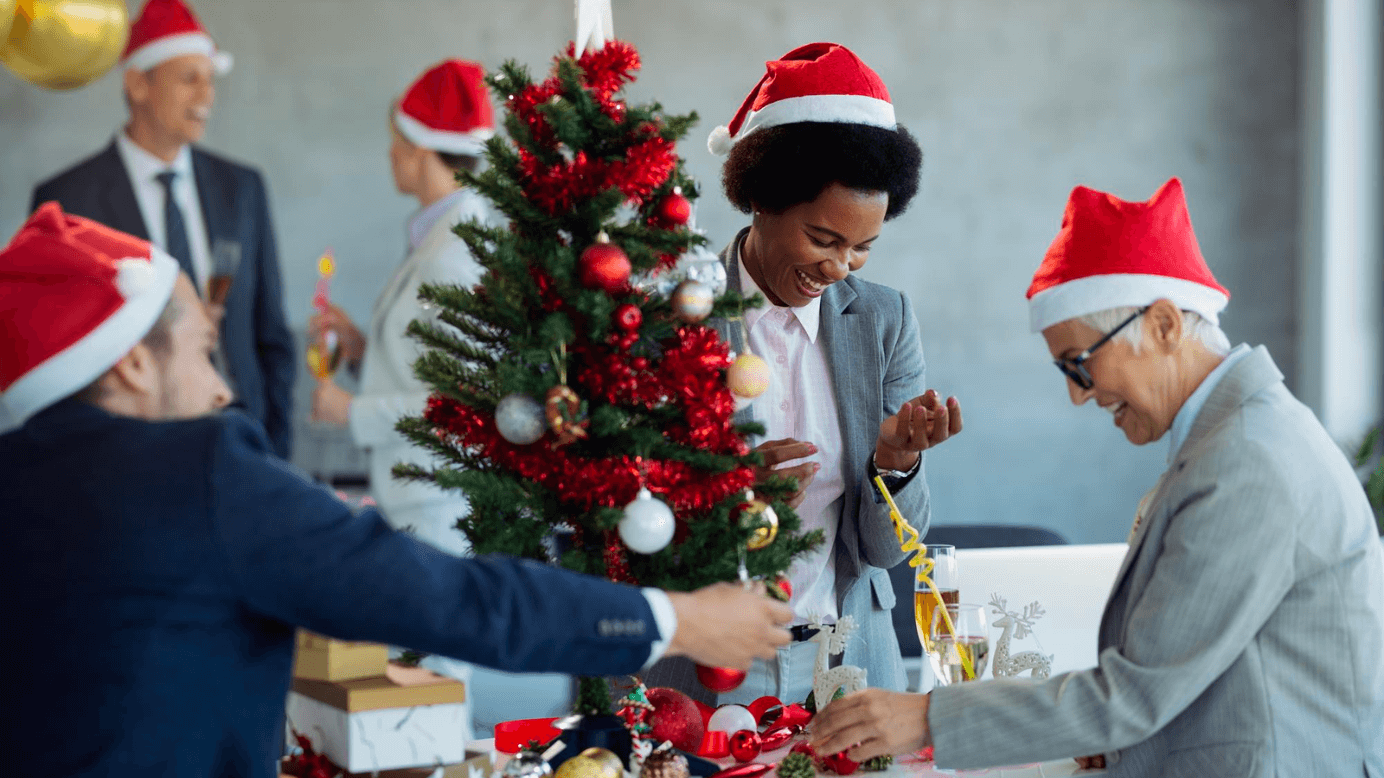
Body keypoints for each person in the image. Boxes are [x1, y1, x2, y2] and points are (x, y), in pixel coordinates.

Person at [0, 203, 795, 778]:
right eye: (204, 351)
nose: (220, 389)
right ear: (132, 362)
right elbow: (455, 600)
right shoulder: (199, 467)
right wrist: (676, 618)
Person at [809, 179, 1384, 776]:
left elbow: (1134, 694)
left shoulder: (1247, 461)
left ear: (1165, 324)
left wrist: (929, 716)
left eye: (1078, 366)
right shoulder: (1240, 436)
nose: (1078, 396)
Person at [646, 43, 963, 706]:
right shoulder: (672, 315)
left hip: (854, 659)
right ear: (763, 198)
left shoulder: (884, 320)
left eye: (862, 247)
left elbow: (887, 551)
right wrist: (731, 498)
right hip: (706, 664)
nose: (840, 267)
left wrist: (896, 464)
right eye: (823, 239)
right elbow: (623, 515)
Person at [30, 0, 296, 458]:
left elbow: (270, 334)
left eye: (210, 79)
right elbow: (55, 350)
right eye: (189, 78)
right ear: (138, 84)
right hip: (125, 453)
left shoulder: (242, 188)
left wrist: (276, 451)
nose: (207, 96)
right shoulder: (67, 201)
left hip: (243, 444)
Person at [309, 59, 495, 558]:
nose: (390, 153)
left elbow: (464, 406)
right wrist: (360, 351)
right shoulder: (440, 236)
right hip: (422, 501)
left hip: (438, 509)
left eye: (396, 139)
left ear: (420, 149)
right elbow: (427, 363)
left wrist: (352, 412)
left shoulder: (456, 254)